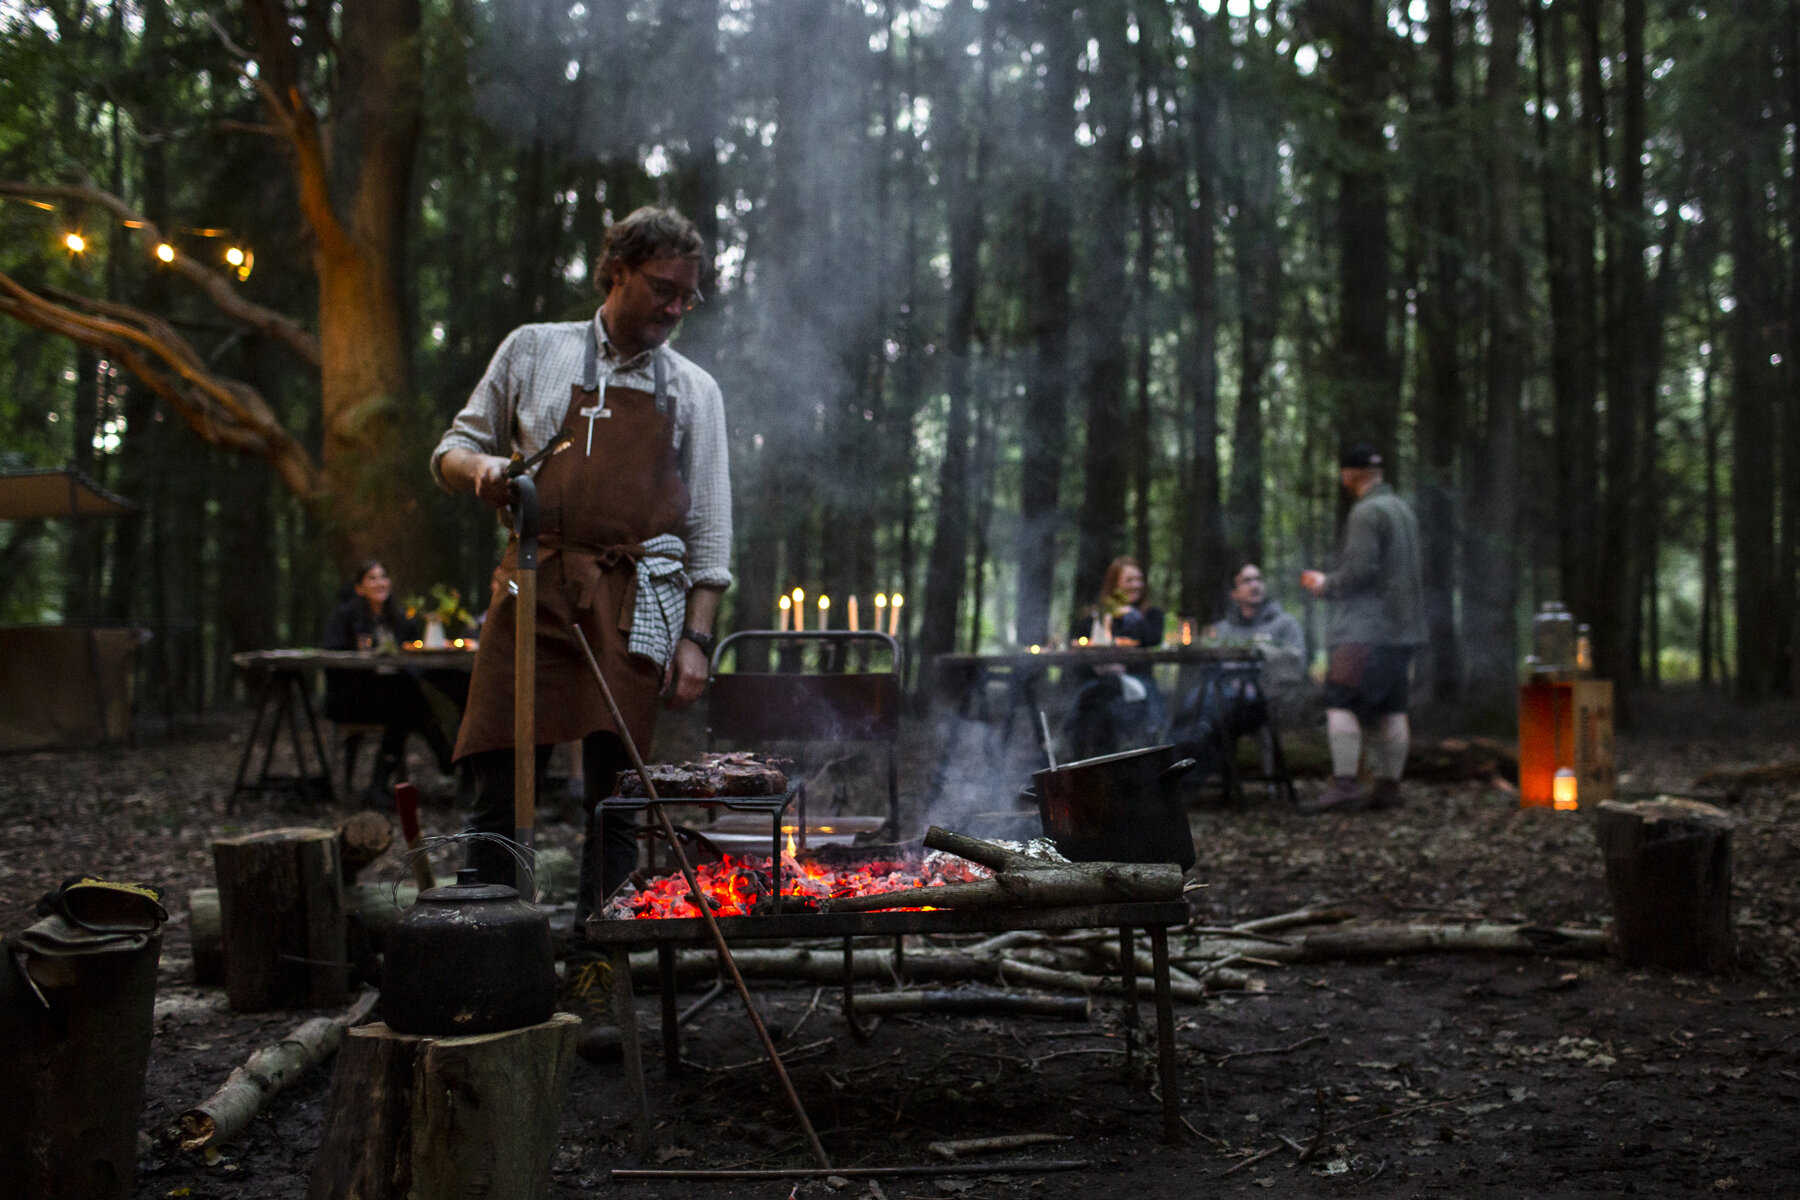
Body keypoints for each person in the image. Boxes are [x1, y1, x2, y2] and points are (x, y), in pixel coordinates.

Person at [432, 206, 732, 926]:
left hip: (632, 602)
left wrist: (695, 637)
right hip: (530, 584)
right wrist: (482, 470)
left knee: (617, 796)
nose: (675, 307)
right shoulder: (534, 350)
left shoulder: (693, 389)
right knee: (499, 781)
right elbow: (450, 449)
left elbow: (711, 533)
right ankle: (493, 948)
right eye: (663, 288)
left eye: (688, 295)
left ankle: (603, 956)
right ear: (617, 271)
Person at [1296, 443, 1425, 813]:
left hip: (1365, 632)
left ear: (1350, 474)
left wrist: (1325, 584)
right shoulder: (1403, 510)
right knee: (1393, 709)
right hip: (1402, 632)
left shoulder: (1366, 512)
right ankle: (1389, 787)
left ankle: (1345, 784)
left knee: (1339, 703)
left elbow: (1361, 572)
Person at [321, 559, 455, 803]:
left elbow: (411, 656)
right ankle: (445, 755)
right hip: (353, 697)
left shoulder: (400, 618)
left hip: (390, 698)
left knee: (403, 707)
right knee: (407, 704)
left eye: (383, 576)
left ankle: (378, 787)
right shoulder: (345, 617)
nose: (380, 582)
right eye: (372, 578)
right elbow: (333, 655)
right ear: (360, 587)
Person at [1168, 562, 1305, 776]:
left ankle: (1185, 758)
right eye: (1247, 581)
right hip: (1222, 705)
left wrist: (1264, 661)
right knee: (1201, 712)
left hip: (1262, 704)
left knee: (1203, 713)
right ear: (1234, 593)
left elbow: (1296, 662)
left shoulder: (1283, 625)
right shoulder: (1223, 630)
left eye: (1258, 579)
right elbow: (1205, 667)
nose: (1255, 585)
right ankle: (1180, 772)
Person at [1064, 556, 1166, 760]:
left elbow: (1152, 640)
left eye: (1138, 580)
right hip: (1099, 682)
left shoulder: (1151, 615)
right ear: (1115, 583)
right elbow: (1079, 651)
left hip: (1138, 682)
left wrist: (1134, 618)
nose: (1135, 585)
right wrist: (1100, 668)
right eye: (1129, 580)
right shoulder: (1098, 616)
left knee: (1100, 702)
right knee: (1094, 702)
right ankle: (1082, 759)